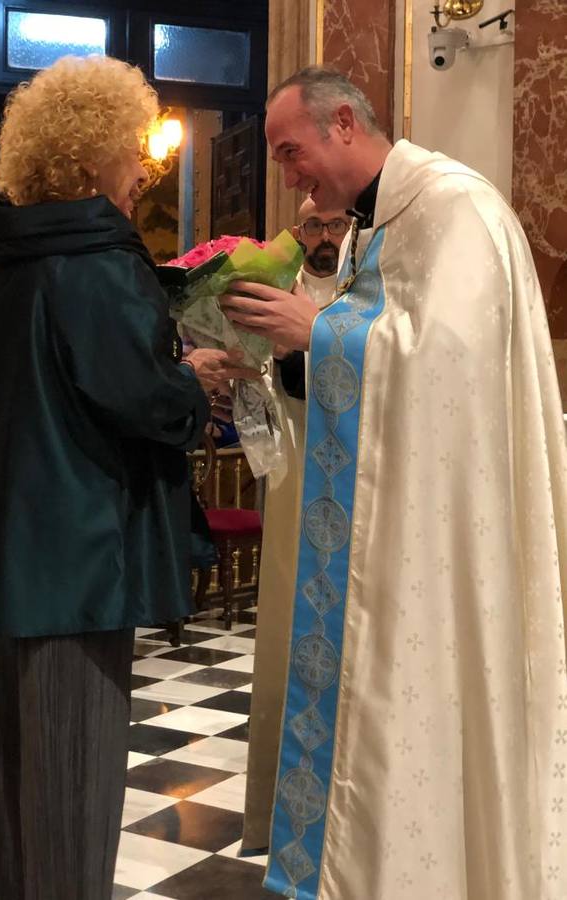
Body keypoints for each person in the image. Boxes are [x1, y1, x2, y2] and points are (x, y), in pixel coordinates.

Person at [221, 66, 567, 900]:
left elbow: (452, 370)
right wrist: (291, 346)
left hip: (446, 543)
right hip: (391, 533)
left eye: (291, 151)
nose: (288, 173)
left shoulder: (458, 210)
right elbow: (380, 358)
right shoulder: (375, 230)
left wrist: (324, 330)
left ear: (344, 122)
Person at [0, 55, 257, 900]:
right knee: (73, 784)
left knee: (23, 785)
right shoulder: (94, 257)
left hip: (23, 547)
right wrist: (190, 379)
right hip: (82, 557)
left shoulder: (21, 257)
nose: (144, 169)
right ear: (90, 151)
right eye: (134, 149)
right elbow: (131, 392)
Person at [242, 197, 348, 852]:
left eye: (335, 223)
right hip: (290, 485)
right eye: (311, 225)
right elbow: (254, 387)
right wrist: (244, 372)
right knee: (286, 631)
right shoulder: (272, 291)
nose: (323, 237)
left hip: (352, 482)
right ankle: (276, 817)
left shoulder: (370, 287)